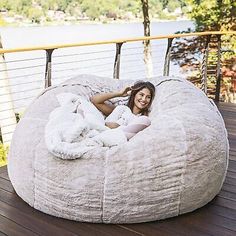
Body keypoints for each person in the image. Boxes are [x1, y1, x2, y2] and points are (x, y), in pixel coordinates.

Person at [90, 81, 156, 140]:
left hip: (117, 139)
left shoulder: (144, 120)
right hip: (101, 133)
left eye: (148, 97)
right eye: (141, 95)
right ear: (134, 95)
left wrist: (118, 126)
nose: (144, 99)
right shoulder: (121, 110)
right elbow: (95, 100)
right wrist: (119, 94)